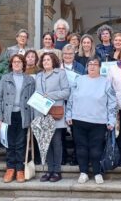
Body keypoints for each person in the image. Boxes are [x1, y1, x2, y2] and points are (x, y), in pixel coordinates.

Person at [66, 57, 116, 184]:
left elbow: (112, 102)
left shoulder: (106, 82)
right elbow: (71, 99)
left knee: (96, 149)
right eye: (90, 64)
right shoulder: (79, 80)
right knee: (81, 148)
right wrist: (68, 115)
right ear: (87, 67)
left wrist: (112, 120)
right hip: (78, 119)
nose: (92, 66)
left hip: (98, 121)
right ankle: (83, 172)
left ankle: (97, 172)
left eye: (95, 64)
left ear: (100, 67)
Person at [0, 54, 35, 183]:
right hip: (8, 114)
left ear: (23, 64)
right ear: (11, 64)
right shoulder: (5, 79)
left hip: (23, 115)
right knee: (10, 143)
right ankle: (10, 169)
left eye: (19, 62)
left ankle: (20, 170)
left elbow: (33, 100)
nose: (17, 64)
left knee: (21, 143)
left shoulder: (29, 80)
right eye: (14, 62)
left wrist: (32, 118)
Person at [34, 53, 70, 182]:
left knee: (56, 142)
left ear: (53, 61)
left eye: (48, 59)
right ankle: (49, 170)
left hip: (55, 113)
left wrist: (49, 95)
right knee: (46, 143)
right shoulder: (38, 76)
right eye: (44, 60)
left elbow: (66, 92)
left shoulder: (60, 73)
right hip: (42, 113)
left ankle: (57, 171)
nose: (46, 62)